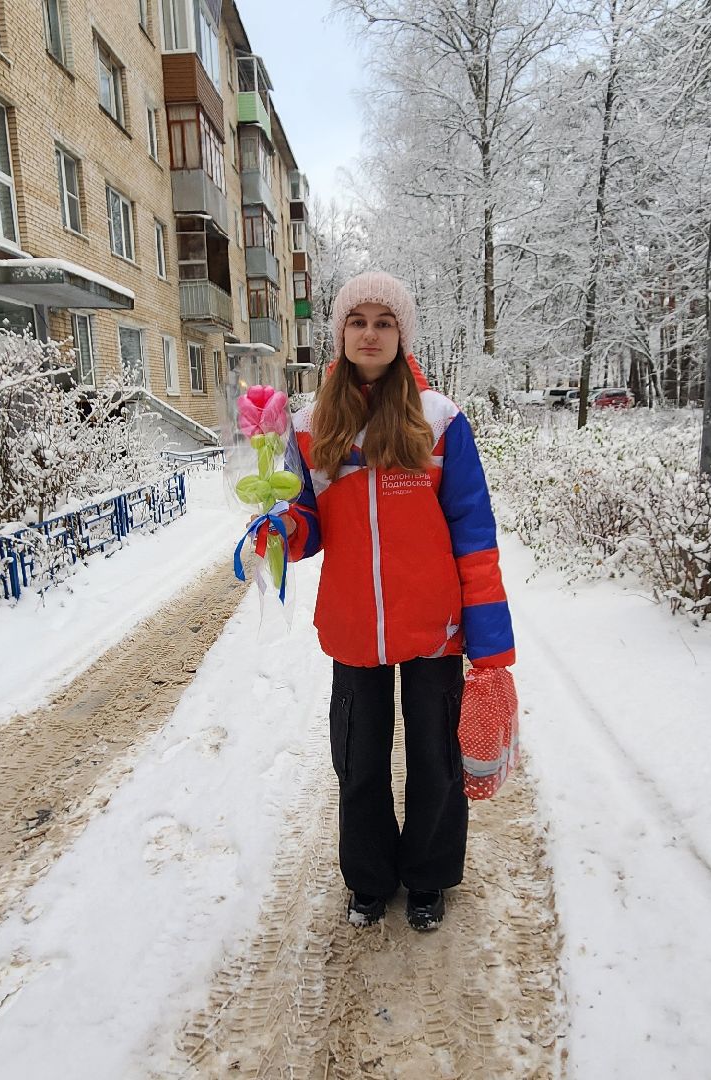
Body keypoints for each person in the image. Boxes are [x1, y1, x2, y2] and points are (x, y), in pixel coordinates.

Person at [257, 271, 515, 932]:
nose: (370, 333)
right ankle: (369, 879)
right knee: (359, 760)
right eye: (358, 321)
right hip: (354, 628)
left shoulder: (440, 420)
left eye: (384, 322)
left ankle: (428, 877)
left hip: (435, 625)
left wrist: (489, 643)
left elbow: (474, 535)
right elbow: (309, 520)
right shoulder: (314, 427)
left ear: (401, 336)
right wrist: (284, 527)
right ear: (339, 334)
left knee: (436, 757)